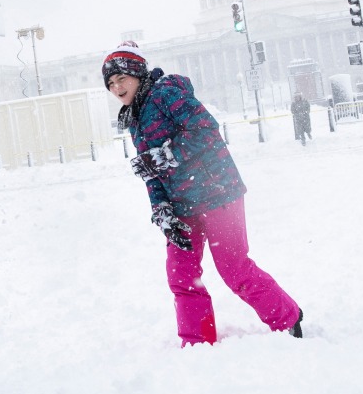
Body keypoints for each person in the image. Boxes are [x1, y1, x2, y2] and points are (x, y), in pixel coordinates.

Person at [103, 41, 303, 346]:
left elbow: (205, 130)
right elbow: (150, 172)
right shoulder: (134, 119)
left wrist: (166, 156)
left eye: (122, 79)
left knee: (234, 268)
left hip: (218, 191)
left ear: (138, 75)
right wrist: (162, 212)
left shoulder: (165, 93)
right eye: (111, 83)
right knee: (181, 274)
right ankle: (197, 342)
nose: (117, 88)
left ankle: (288, 317)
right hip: (181, 205)